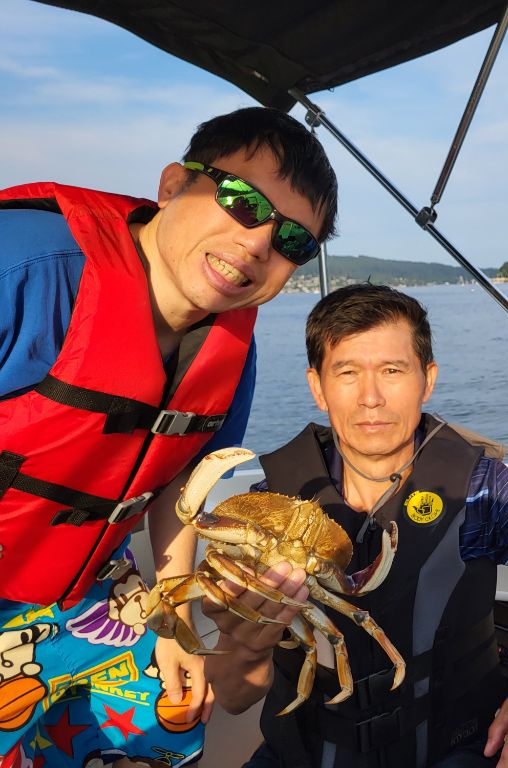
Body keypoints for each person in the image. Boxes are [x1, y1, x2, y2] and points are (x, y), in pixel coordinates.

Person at [0, 107, 337, 768]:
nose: (258, 243)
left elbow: (180, 478)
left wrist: (173, 620)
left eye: (294, 240)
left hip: (84, 580)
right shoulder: (25, 269)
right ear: (173, 185)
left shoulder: (230, 350)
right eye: (243, 201)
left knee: (175, 702)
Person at [202, 283, 508, 768]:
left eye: (392, 370)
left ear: (427, 380)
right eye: (347, 372)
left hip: (452, 749)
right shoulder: (270, 509)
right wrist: (250, 643)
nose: (371, 398)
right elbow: (234, 697)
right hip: (301, 755)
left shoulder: (478, 490)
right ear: (317, 387)